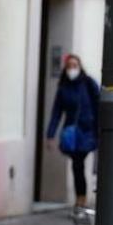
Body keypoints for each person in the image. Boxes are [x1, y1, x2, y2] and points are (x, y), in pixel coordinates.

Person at [45, 53, 101, 208]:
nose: (72, 69)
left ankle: (83, 199)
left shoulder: (89, 83)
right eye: (69, 66)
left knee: (81, 164)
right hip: (73, 133)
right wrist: (50, 134)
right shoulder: (63, 88)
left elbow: (98, 106)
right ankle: (80, 198)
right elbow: (56, 112)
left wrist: (100, 128)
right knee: (77, 165)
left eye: (75, 66)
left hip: (89, 131)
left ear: (80, 67)